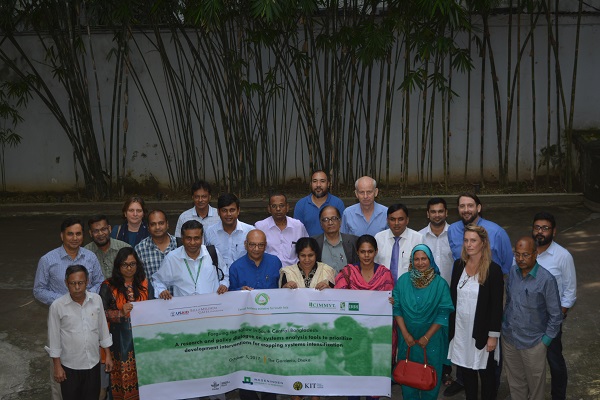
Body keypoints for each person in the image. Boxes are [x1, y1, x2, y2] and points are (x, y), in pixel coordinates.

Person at [334, 234, 394, 400]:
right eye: (362, 252)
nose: (366, 255)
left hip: (375, 337)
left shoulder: (384, 274)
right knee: (353, 380)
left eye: (370, 251)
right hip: (352, 338)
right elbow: (337, 299)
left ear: (376, 251)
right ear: (357, 252)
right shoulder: (347, 273)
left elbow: (389, 300)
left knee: (372, 378)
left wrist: (391, 301)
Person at [447, 225, 504, 400]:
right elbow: (453, 297)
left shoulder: (493, 270)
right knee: (466, 372)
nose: (469, 245)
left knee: (486, 375)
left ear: (483, 243)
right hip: (461, 331)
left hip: (482, 332)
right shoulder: (458, 266)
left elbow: (496, 306)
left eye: (473, 241)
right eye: (466, 240)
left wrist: (493, 335)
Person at [502, 237, 562, 400]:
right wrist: (504, 324)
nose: (520, 259)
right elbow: (509, 302)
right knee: (515, 383)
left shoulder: (546, 279)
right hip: (510, 339)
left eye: (525, 255)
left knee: (536, 387)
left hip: (534, 343)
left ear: (535, 254)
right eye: (517, 254)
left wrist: (545, 342)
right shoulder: (512, 274)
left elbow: (556, 315)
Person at [393, 244, 454, 400]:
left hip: (432, 340)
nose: (420, 263)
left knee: (430, 380)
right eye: (416, 259)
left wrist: (427, 336)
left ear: (430, 260)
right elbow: (397, 308)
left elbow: (443, 313)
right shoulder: (403, 281)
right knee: (408, 377)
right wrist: (405, 334)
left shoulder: (440, 284)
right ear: (412, 261)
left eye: (424, 259)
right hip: (408, 340)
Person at [45, 265, 113, 400]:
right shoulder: (57, 306)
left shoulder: (96, 300)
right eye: (73, 283)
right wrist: (57, 367)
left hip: (93, 363)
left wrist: (108, 355)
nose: (77, 287)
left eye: (80, 283)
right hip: (69, 366)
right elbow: (53, 339)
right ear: (66, 283)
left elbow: (103, 329)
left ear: (87, 282)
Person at [229, 229, 281, 400]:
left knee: (269, 368)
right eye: (252, 244)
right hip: (247, 329)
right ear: (246, 245)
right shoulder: (235, 267)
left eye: (260, 245)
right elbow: (230, 298)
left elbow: (282, 292)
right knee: (247, 368)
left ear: (266, 245)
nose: (256, 249)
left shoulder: (275, 263)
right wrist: (239, 292)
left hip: (270, 327)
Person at [531, 212, 576, 400]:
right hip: (527, 320)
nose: (540, 232)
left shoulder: (562, 256)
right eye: (537, 227)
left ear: (554, 231)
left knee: (554, 361)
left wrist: (559, 315)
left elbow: (570, 291)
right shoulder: (525, 251)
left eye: (545, 228)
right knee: (528, 362)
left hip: (551, 320)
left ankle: (558, 396)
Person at [99, 248, 154, 400]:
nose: (129, 268)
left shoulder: (144, 283)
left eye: (132, 264)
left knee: (146, 379)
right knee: (123, 382)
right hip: (119, 343)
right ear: (118, 266)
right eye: (125, 265)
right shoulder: (108, 286)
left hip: (144, 342)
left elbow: (154, 309)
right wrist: (120, 313)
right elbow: (99, 316)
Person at [34, 217, 105, 306]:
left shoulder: (90, 257)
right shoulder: (47, 260)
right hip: (61, 312)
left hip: (89, 309)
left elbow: (100, 282)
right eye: (70, 234)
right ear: (62, 236)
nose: (75, 238)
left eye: (78, 234)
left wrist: (88, 295)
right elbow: (39, 290)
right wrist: (64, 300)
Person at [153, 220, 228, 298]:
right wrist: (162, 290)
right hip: (184, 308)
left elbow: (225, 275)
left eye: (196, 238)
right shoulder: (172, 258)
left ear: (202, 238)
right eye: (188, 238)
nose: (192, 243)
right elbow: (158, 280)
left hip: (211, 307)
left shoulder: (213, 253)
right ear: (182, 238)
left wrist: (224, 284)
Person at [447, 193, 512, 275]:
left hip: (490, 282)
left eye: (470, 206)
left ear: (478, 208)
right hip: (463, 283)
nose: (466, 210)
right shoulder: (452, 230)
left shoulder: (496, 232)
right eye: (462, 206)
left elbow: (507, 263)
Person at [255, 192, 309, 266]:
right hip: (268, 271)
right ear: (269, 209)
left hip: (293, 272)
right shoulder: (260, 227)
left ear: (287, 207)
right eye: (274, 206)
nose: (278, 209)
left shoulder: (298, 226)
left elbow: (307, 249)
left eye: (282, 206)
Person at [374, 203, 423, 284]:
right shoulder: (379, 238)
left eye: (400, 219)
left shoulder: (418, 238)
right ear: (387, 220)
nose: (396, 223)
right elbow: (374, 265)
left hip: (408, 288)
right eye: (392, 219)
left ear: (407, 220)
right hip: (383, 288)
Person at [204, 193, 254, 269]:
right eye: (224, 210)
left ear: (238, 211)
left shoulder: (250, 232)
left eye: (232, 210)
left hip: (243, 277)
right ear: (218, 212)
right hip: (218, 277)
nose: (228, 214)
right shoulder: (209, 232)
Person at [293, 170, 346, 236]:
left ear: (328, 184)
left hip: (332, 245)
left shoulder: (337, 203)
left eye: (322, 181)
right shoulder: (301, 205)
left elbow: (342, 229)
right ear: (310, 184)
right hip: (309, 245)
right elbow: (297, 232)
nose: (318, 185)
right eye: (315, 181)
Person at [312, 205, 359, 272]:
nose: (330, 223)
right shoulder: (314, 243)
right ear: (321, 224)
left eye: (334, 218)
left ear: (340, 221)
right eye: (325, 219)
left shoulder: (353, 241)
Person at [134, 209, 178, 279]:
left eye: (161, 223)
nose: (157, 227)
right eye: (153, 224)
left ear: (167, 224)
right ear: (148, 227)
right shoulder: (140, 249)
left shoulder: (179, 245)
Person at [419, 198, 453, 285]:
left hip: (450, 289)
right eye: (433, 212)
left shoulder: (455, 235)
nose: (437, 215)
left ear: (446, 213)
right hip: (426, 290)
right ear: (428, 214)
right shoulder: (419, 237)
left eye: (440, 211)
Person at [174, 180, 220, 246]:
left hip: (214, 254)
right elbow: (178, 240)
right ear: (192, 197)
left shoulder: (218, 215)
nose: (200, 200)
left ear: (209, 197)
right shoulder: (184, 217)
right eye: (197, 197)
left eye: (204, 196)